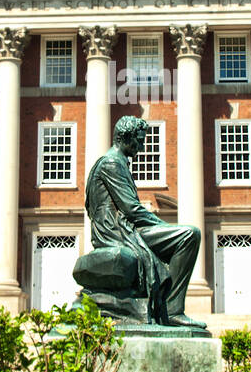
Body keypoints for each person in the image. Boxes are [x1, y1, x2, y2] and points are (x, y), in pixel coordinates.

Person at [84, 116, 204, 328]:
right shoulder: (112, 163)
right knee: (189, 235)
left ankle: (168, 308)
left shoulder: (116, 161)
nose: (142, 146)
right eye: (139, 140)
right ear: (126, 138)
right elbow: (132, 209)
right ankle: (172, 310)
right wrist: (164, 227)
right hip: (120, 233)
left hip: (124, 229)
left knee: (183, 236)